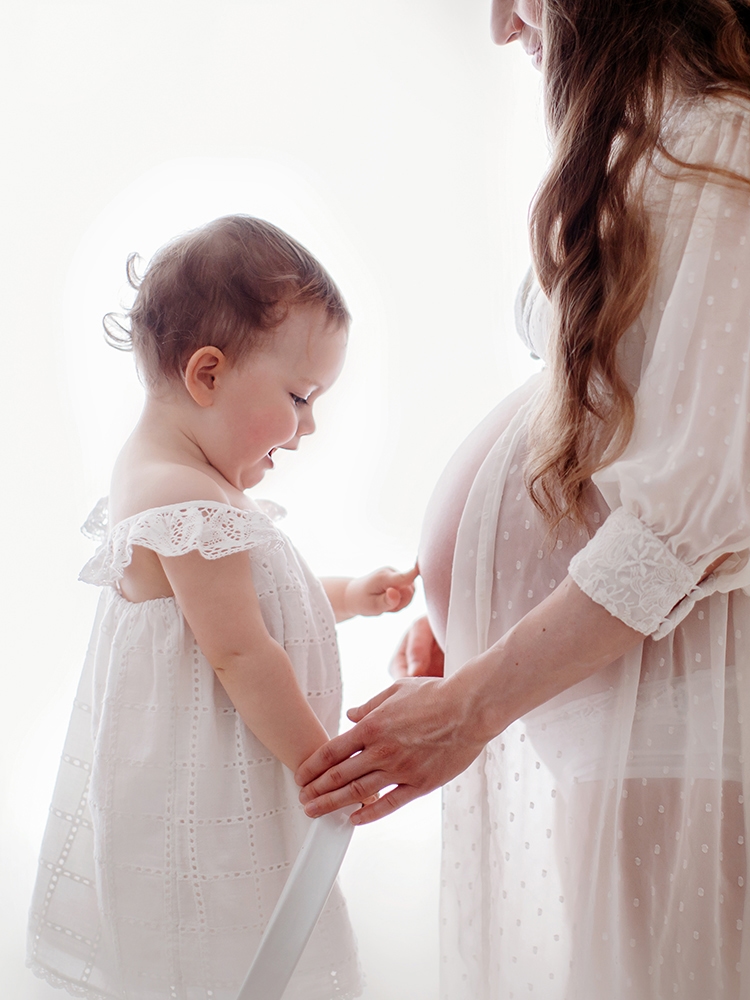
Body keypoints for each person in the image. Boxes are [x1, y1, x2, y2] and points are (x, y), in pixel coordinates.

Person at [296, 1, 750, 996]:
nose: (495, 26)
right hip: (622, 709)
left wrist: (473, 702)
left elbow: (693, 512)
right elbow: (618, 422)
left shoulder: (729, 142)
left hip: (675, 719)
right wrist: (477, 620)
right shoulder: (659, 142)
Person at [26, 215, 417, 1000]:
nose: (308, 429)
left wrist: (348, 595)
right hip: (209, 803)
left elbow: (252, 614)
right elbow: (241, 654)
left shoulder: (179, 486)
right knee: (227, 949)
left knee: (238, 950)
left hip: (209, 783)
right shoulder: (184, 499)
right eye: (300, 397)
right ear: (208, 375)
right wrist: (323, 763)